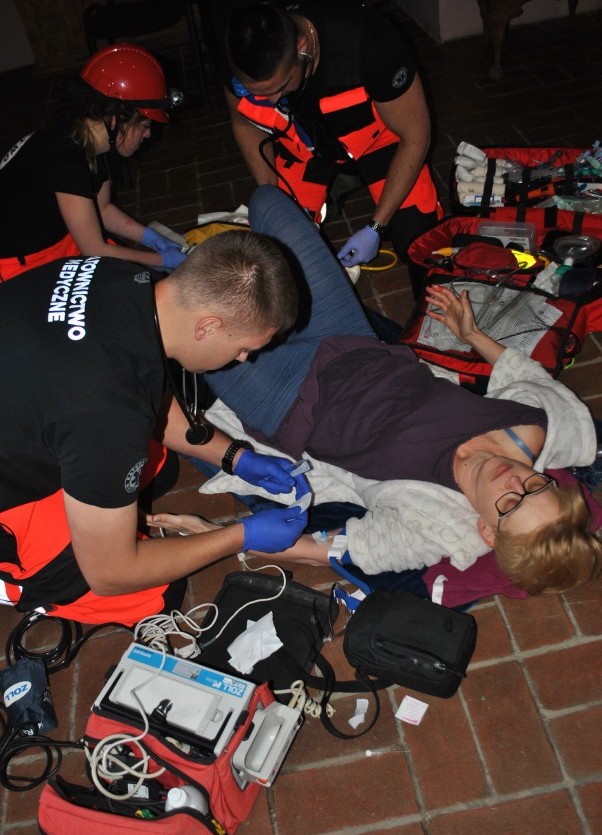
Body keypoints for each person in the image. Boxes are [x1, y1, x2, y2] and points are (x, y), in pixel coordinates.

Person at [153, 185, 601, 596]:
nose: (514, 480)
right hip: (350, 339)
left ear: (488, 531)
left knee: (174, 324)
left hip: (284, 403)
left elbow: (326, 550)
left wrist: (216, 537)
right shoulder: (539, 426)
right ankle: (199, 272)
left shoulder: (436, 528)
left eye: (512, 503)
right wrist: (473, 335)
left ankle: (178, 275)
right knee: (268, 201)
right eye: (537, 484)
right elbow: (524, 374)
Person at [0, 225, 310, 626]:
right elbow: (111, 573)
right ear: (207, 327)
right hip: (18, 487)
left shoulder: (120, 276)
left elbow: (143, 390)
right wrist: (241, 535)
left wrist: (235, 457)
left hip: (34, 399)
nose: (243, 359)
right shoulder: (105, 410)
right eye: (243, 348)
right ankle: (15, 580)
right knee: (154, 592)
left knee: (159, 470)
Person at [215, 0, 439, 266]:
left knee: (416, 242)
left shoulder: (369, 40)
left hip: (378, 142)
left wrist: (376, 228)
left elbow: (416, 138)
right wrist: (271, 193)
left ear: (301, 47)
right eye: (260, 94)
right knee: (282, 245)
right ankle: (339, 182)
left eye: (281, 87)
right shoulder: (240, 49)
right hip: (304, 149)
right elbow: (244, 124)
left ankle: (349, 178)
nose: (273, 101)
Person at [0, 43, 188, 283]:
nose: (148, 134)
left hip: (61, 239)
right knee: (133, 285)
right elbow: (94, 249)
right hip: (18, 262)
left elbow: (103, 209)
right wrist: (161, 260)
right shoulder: (65, 159)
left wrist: (152, 239)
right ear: (118, 118)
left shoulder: (98, 139)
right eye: (145, 125)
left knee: (139, 279)